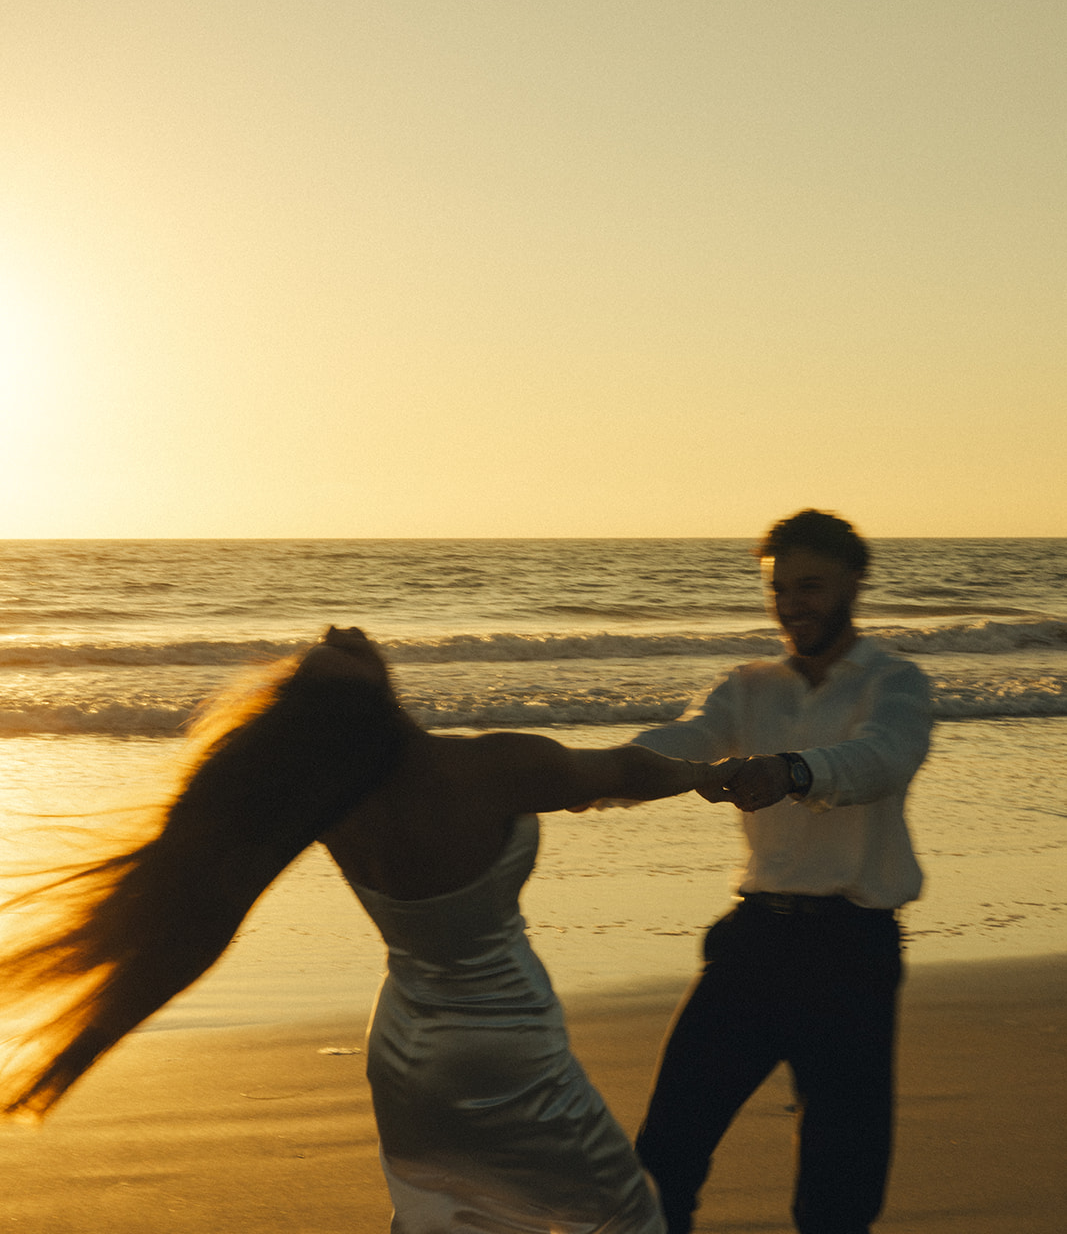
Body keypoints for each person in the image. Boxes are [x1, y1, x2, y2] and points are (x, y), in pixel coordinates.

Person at [0, 625, 741, 1234]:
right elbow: (623, 771)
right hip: (504, 1034)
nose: (340, 631)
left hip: (404, 1044)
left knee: (458, 1218)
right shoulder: (488, 765)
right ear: (365, 701)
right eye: (336, 652)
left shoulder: (329, 803)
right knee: (623, 1216)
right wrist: (706, 775)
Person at [631, 510, 932, 1234]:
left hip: (852, 956)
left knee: (838, 1194)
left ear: (852, 583)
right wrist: (574, 774)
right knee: (659, 1159)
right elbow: (681, 742)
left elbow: (880, 759)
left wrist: (792, 770)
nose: (792, 604)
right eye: (779, 590)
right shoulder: (747, 686)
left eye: (809, 587)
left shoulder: (894, 683)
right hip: (752, 948)